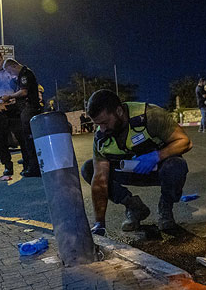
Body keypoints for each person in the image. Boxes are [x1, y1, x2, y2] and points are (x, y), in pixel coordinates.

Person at [80, 89, 192, 235]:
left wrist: (157, 156)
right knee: (89, 169)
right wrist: (99, 224)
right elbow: (100, 179)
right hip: (127, 170)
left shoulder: (150, 116)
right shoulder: (101, 139)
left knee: (176, 166)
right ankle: (134, 207)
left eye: (105, 122)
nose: (102, 128)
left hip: (157, 169)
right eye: (98, 124)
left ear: (119, 111)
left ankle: (165, 209)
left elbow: (185, 142)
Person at [1, 58, 42, 177]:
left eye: (9, 71)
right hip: (27, 108)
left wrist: (9, 96)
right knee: (28, 139)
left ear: (13, 66)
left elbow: (24, 92)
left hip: (29, 109)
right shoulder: (23, 74)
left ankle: (34, 168)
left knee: (30, 139)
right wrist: (15, 99)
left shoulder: (24, 74)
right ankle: (32, 166)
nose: (10, 74)